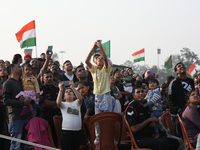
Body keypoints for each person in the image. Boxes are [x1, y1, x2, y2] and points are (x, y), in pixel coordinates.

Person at [125, 84, 179, 150]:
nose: (141, 93)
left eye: (142, 91)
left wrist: (154, 123)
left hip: (151, 136)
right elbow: (133, 129)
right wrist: (149, 120)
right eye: (138, 92)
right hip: (140, 139)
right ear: (133, 95)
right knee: (167, 143)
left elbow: (152, 122)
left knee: (175, 141)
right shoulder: (132, 108)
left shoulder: (145, 106)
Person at [85, 41, 112, 144]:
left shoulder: (106, 68)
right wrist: (93, 48)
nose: (99, 58)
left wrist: (100, 48)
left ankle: (109, 135)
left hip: (105, 94)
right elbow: (87, 60)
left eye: (100, 57)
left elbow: (105, 59)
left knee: (106, 116)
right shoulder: (94, 69)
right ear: (95, 62)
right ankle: (98, 136)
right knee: (97, 116)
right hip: (97, 95)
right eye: (96, 58)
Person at [3, 64, 33, 150]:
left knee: (24, 145)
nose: (21, 69)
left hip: (27, 116)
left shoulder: (22, 82)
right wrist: (22, 102)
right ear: (12, 69)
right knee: (16, 145)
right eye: (18, 67)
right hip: (16, 118)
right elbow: (6, 101)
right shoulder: (8, 83)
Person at [168, 62, 194, 137]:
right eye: (179, 66)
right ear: (176, 71)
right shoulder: (174, 82)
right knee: (181, 136)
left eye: (183, 65)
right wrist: (179, 110)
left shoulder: (191, 81)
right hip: (178, 114)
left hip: (191, 111)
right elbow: (170, 99)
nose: (182, 66)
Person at [56, 81, 83, 150]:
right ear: (64, 97)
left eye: (70, 91)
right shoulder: (63, 105)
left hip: (77, 132)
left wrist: (73, 88)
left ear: (74, 96)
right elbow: (58, 102)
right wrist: (61, 90)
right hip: (66, 132)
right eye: (66, 91)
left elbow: (80, 98)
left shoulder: (77, 103)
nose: (68, 92)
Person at [40, 70, 61, 147]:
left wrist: (57, 104)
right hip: (47, 118)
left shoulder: (57, 89)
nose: (49, 79)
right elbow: (46, 103)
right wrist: (58, 104)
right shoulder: (41, 89)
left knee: (58, 138)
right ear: (43, 79)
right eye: (47, 77)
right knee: (49, 139)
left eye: (50, 76)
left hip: (58, 116)